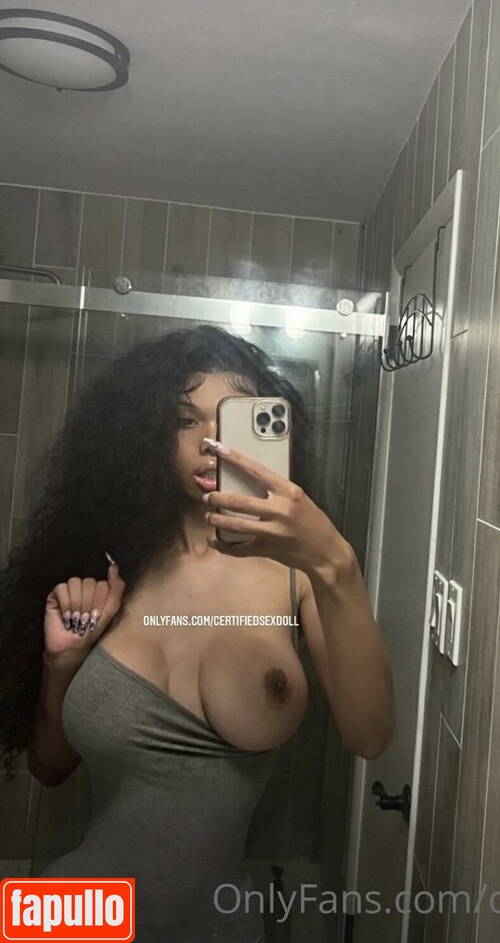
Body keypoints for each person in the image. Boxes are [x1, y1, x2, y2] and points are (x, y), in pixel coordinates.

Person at [0, 324, 394, 942]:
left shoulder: (298, 577)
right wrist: (62, 667)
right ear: (146, 435)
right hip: (72, 918)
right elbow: (49, 769)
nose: (211, 441)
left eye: (233, 418)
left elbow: (369, 735)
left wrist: (336, 563)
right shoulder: (109, 568)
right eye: (184, 419)